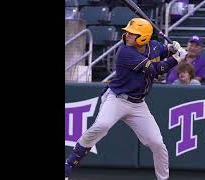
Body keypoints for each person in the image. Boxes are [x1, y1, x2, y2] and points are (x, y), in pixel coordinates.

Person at [65, 18, 187, 180]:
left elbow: (161, 50)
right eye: (128, 32)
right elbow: (154, 70)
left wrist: (172, 48)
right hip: (117, 99)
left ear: (144, 38)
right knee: (101, 125)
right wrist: (177, 58)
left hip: (138, 104)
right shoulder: (125, 52)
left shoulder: (154, 46)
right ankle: (68, 166)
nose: (127, 35)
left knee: (157, 143)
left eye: (132, 34)